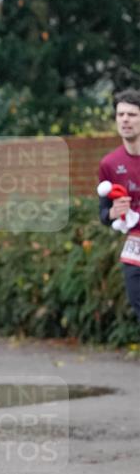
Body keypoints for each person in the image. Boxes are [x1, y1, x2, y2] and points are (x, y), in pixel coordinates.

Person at [98, 89, 140, 321]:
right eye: (120, 114)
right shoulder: (109, 164)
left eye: (132, 115)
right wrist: (113, 212)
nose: (125, 119)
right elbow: (103, 214)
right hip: (135, 247)